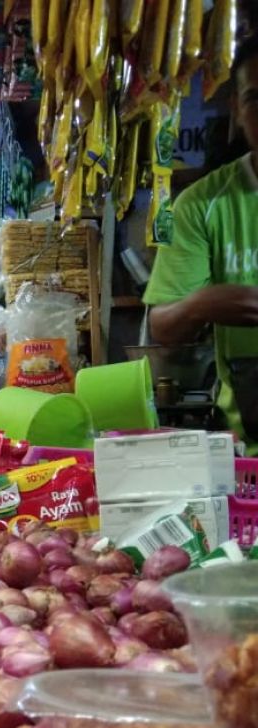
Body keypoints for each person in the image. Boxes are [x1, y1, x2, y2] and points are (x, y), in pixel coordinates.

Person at [145, 35, 258, 453]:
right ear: (237, 110)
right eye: (255, 99)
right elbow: (162, 328)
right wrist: (202, 303)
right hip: (249, 441)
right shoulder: (200, 205)